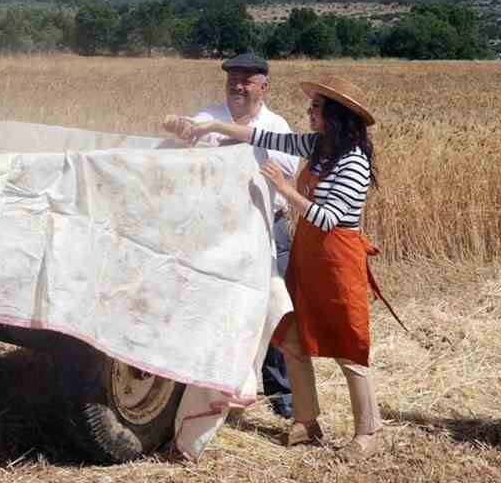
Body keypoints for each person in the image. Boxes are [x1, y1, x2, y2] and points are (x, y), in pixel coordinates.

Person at [184, 73, 384, 458]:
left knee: (348, 346)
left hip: (339, 259)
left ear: (336, 116)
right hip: (310, 255)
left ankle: (369, 432)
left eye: (315, 108)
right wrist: (213, 125)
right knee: (293, 338)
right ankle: (306, 422)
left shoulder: (354, 161)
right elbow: (265, 138)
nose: (308, 112)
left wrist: (285, 189)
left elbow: (328, 218)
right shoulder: (320, 146)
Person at [161, 52, 298, 419]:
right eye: (232, 80)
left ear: (264, 86)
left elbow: (285, 166)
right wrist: (178, 127)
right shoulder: (209, 115)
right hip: (218, 232)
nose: (237, 86)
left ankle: (282, 399)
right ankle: (215, 391)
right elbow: (187, 137)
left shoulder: (277, 125)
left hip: (268, 228)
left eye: (246, 81)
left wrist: (233, 143)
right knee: (215, 308)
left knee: (273, 314)